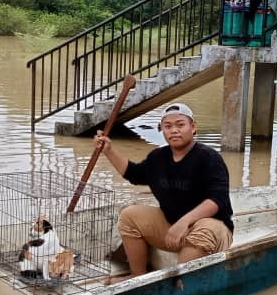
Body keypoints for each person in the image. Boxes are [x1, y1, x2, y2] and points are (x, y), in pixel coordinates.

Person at [93, 103, 234, 281]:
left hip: (211, 229)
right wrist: (109, 151)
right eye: (168, 126)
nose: (174, 130)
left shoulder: (209, 158)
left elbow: (218, 199)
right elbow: (134, 174)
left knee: (204, 231)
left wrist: (184, 223)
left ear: (193, 127)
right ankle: (138, 277)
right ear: (162, 130)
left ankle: (180, 283)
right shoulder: (158, 157)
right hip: (172, 229)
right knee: (129, 215)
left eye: (180, 124)